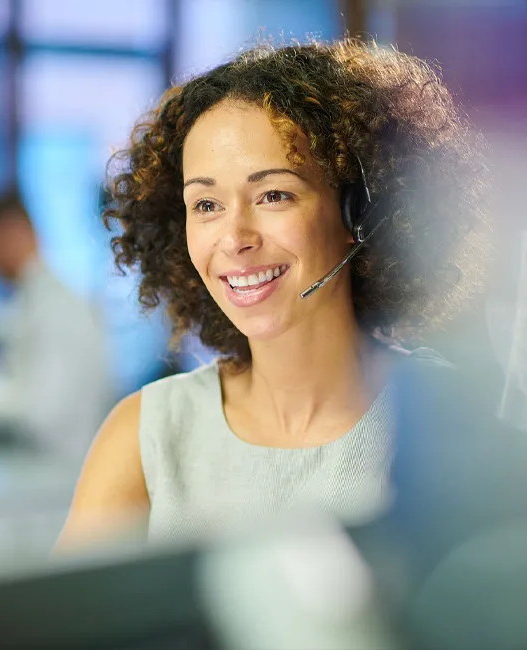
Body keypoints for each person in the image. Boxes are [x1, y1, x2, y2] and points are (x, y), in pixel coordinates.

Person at [56, 38, 491, 548]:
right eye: (206, 205)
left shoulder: (453, 424)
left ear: (361, 212)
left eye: (273, 194)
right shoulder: (144, 436)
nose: (236, 238)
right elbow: (56, 626)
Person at [0, 188, 111, 467]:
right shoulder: (28, 303)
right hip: (38, 477)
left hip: (53, 479)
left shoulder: (57, 309)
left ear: (11, 233)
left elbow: (41, 414)